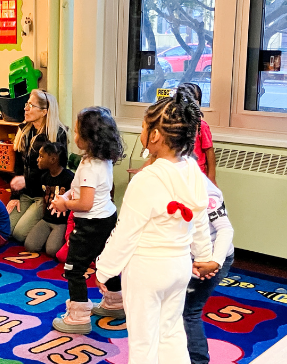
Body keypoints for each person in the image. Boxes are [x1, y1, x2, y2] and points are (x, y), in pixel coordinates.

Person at [95, 92, 215, 364]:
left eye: (143, 127)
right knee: (171, 332)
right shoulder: (193, 170)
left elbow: (126, 233)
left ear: (156, 135)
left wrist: (104, 269)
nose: (141, 132)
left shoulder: (146, 179)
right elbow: (199, 219)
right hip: (179, 266)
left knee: (143, 341)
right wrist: (204, 255)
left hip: (146, 270)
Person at [49, 106, 124, 334]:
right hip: (107, 218)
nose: (74, 136)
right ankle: (115, 303)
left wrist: (64, 204)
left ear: (88, 138)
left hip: (90, 224)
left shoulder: (89, 167)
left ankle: (78, 318)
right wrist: (66, 195)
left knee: (74, 269)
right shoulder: (101, 159)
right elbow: (81, 191)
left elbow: (85, 204)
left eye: (78, 132)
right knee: (105, 262)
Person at [184, 176, 235, 364]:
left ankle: (198, 360)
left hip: (208, 262)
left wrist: (214, 262)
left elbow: (225, 229)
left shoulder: (206, 191)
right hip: (188, 259)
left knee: (189, 312)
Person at [8, 88, 68, 242]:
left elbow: (55, 172)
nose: (25, 108)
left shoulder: (57, 135)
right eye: (27, 104)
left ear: (44, 112)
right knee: (6, 228)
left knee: (19, 234)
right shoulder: (24, 131)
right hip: (25, 193)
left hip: (42, 195)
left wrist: (27, 180)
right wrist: (14, 196)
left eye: (31, 105)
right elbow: (18, 166)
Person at [25, 142, 74, 258]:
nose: (38, 159)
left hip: (61, 222)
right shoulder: (44, 177)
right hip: (47, 219)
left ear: (53, 159)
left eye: (41, 156)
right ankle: (47, 238)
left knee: (52, 250)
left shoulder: (69, 177)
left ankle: (53, 240)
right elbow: (44, 199)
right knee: (29, 246)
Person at [177, 83, 216, 184]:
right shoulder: (173, 125)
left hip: (197, 175)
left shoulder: (201, 126)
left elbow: (209, 151)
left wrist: (211, 177)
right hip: (178, 174)